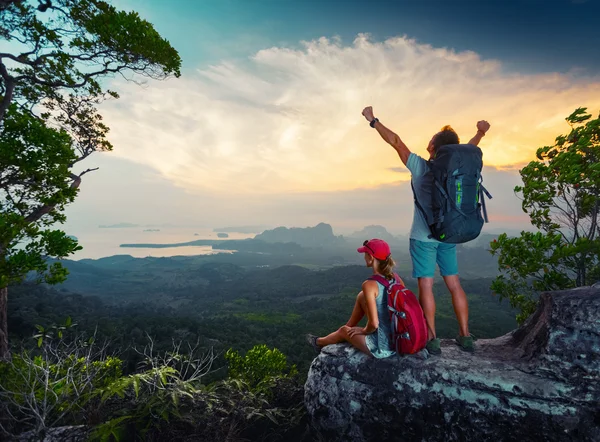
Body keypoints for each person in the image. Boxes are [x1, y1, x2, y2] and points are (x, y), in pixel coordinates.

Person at [361, 106, 491, 354]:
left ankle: (432, 338)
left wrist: (373, 120)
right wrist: (480, 133)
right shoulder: (458, 169)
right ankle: (465, 335)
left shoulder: (421, 167)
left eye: (430, 141)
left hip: (423, 238)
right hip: (451, 231)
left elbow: (396, 142)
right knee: (454, 284)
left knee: (427, 286)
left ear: (434, 148)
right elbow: (470, 150)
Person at [306, 239, 405, 358]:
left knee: (344, 330)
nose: (364, 257)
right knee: (361, 296)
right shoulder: (396, 279)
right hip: (398, 337)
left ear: (371, 257)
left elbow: (373, 324)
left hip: (384, 347)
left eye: (365, 254)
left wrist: (363, 331)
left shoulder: (369, 284)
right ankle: (346, 331)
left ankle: (318, 343)